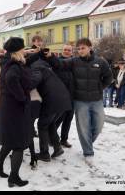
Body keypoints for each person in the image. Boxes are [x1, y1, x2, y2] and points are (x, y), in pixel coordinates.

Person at [45, 38, 113, 166]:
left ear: (90, 48)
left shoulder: (100, 62)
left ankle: (87, 143)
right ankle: (88, 152)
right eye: (79, 48)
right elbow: (60, 65)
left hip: (96, 100)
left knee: (98, 126)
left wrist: (100, 88)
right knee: (83, 127)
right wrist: (50, 57)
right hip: (80, 101)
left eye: (83, 48)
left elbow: (109, 77)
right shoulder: (74, 61)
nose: (80, 51)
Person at [0, 37, 32, 187]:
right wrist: (22, 98)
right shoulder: (14, 66)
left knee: (10, 141)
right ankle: (13, 177)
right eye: (22, 48)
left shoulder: (8, 62)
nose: (24, 50)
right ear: (17, 50)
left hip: (9, 107)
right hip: (15, 108)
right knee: (19, 145)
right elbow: (11, 80)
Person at [30, 49, 72, 162]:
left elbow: (35, 80)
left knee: (42, 125)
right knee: (50, 123)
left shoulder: (36, 67)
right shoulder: (46, 67)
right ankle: (57, 148)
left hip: (52, 101)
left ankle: (44, 153)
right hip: (63, 100)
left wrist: (25, 85)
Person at [54, 44, 74, 148]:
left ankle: (64, 139)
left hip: (72, 96)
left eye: (69, 50)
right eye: (65, 50)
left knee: (68, 118)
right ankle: (51, 137)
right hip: (60, 96)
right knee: (59, 118)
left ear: (72, 52)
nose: (66, 51)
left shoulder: (75, 63)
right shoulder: (57, 62)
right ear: (62, 51)